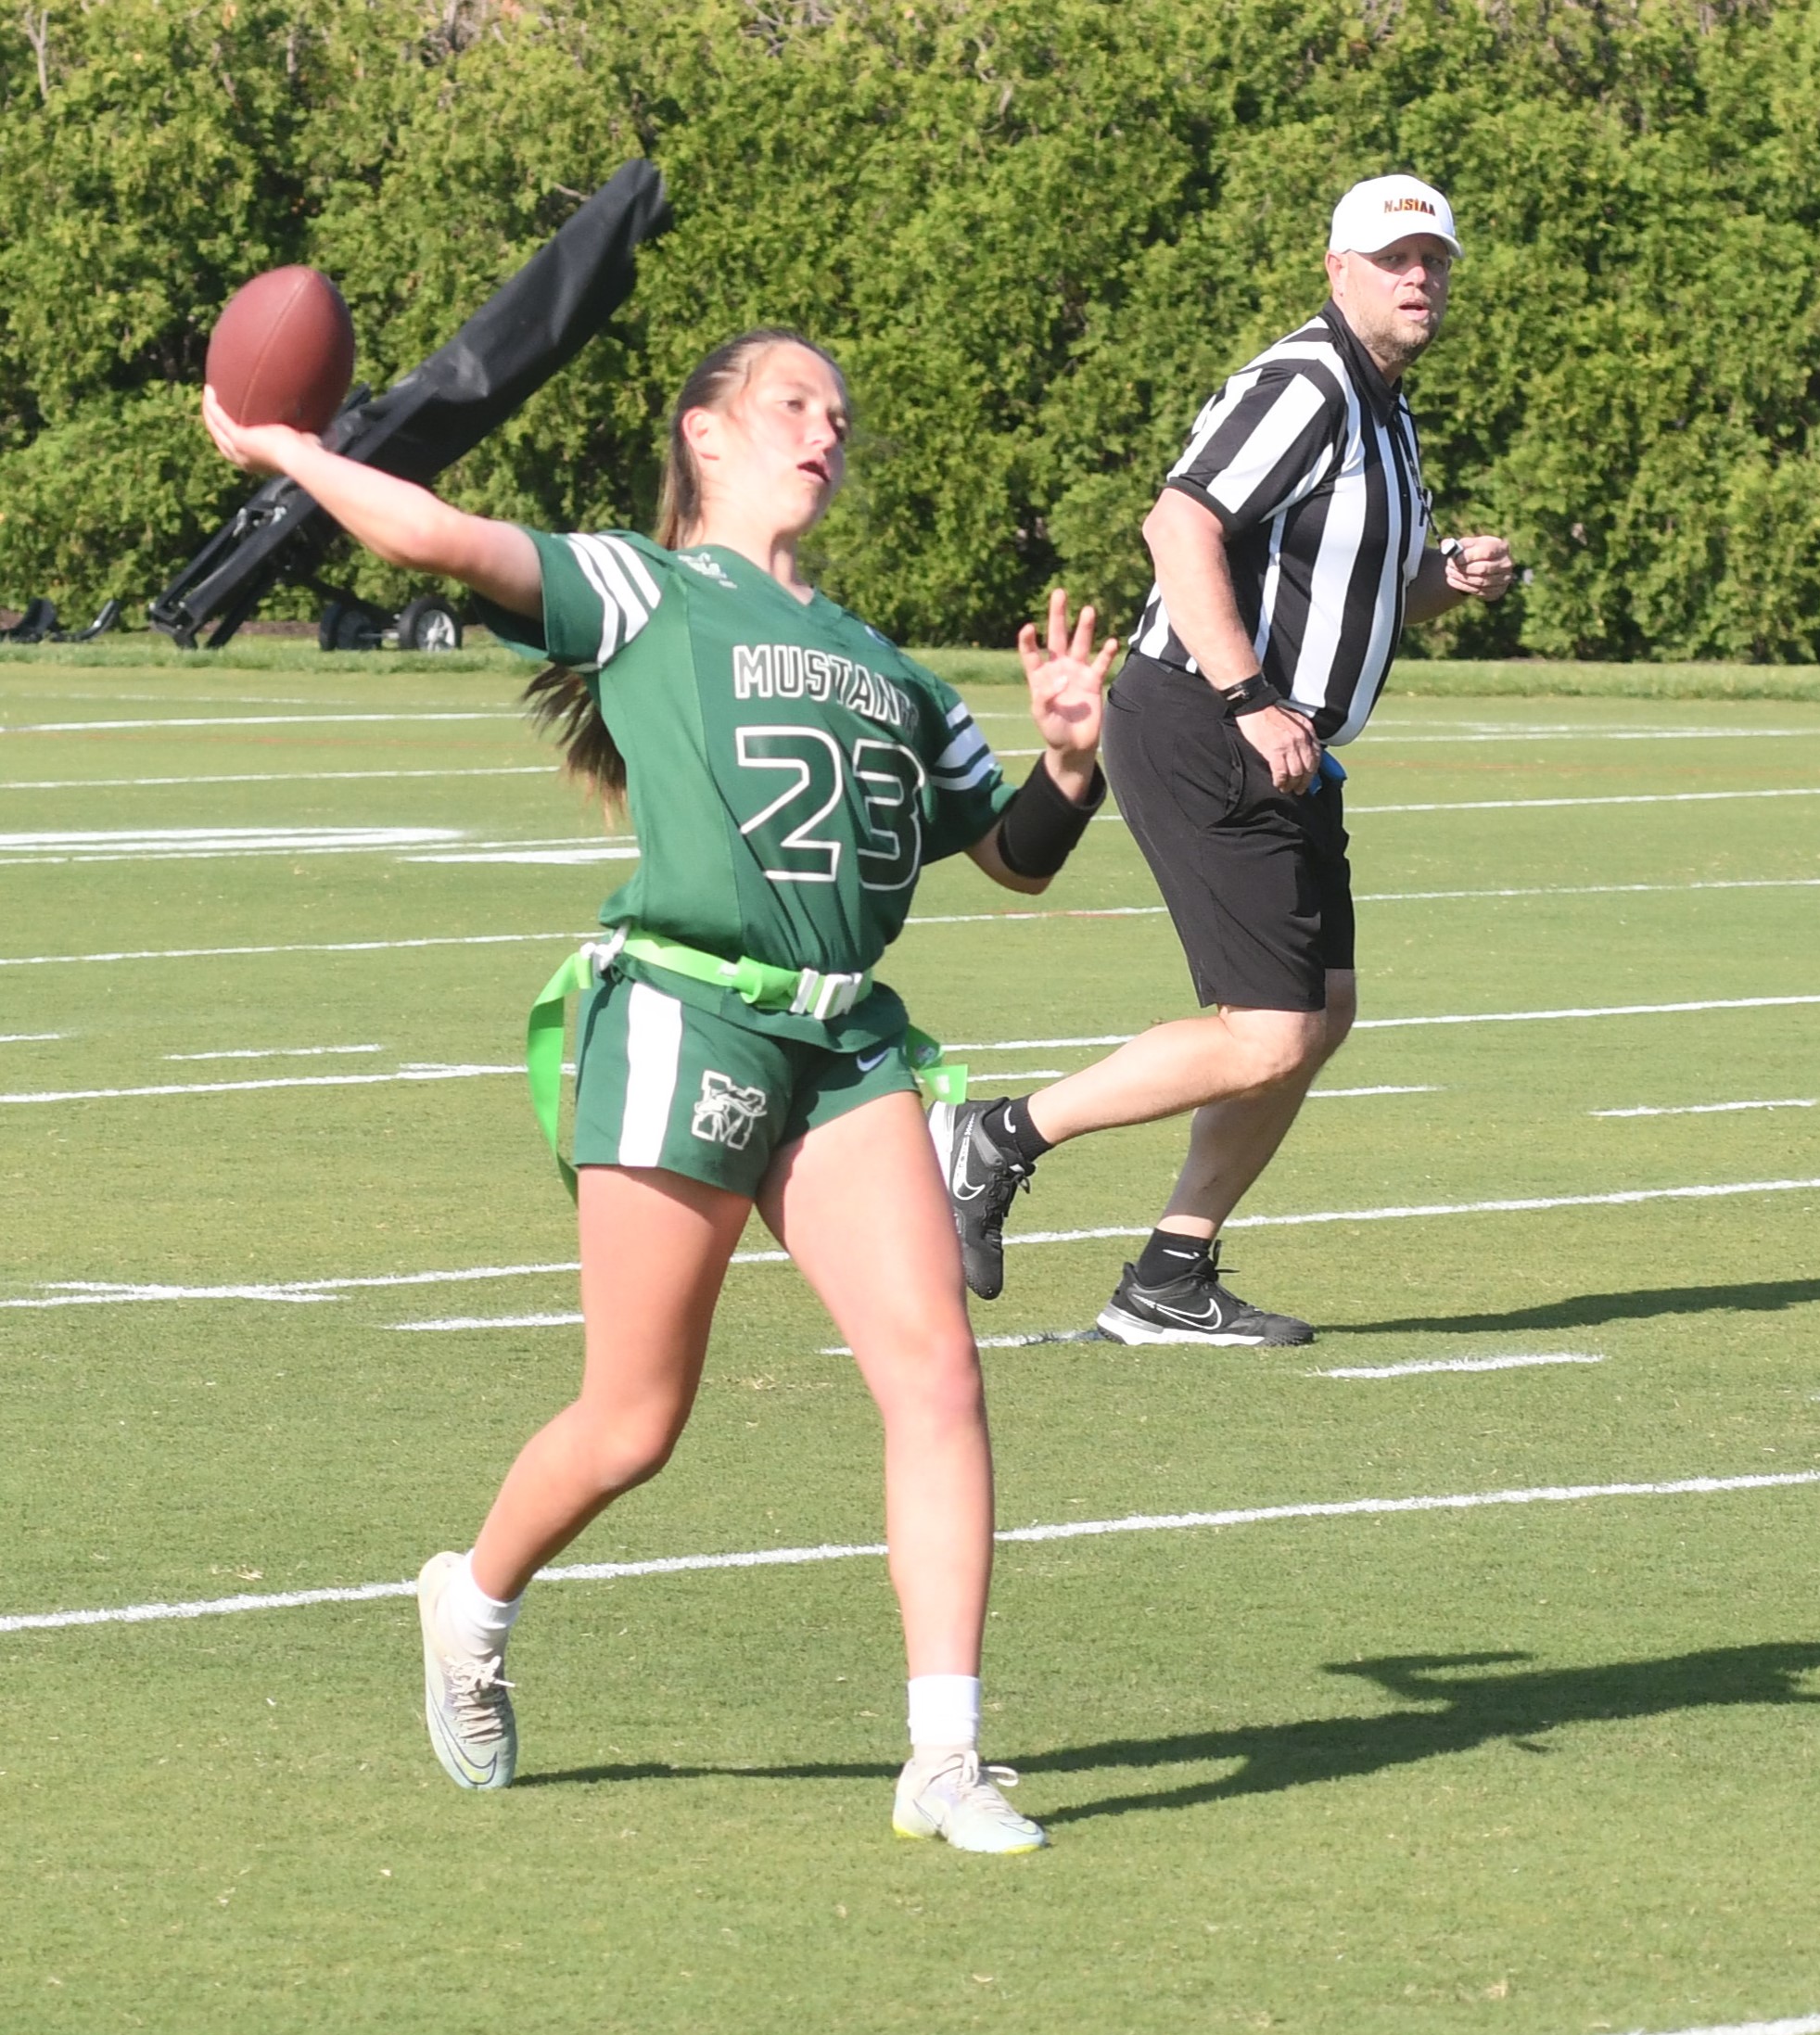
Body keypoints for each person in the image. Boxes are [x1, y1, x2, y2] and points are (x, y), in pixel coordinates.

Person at [201, 328, 1122, 1851]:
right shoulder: (644, 588)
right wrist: (292, 452)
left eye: (839, 409)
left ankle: (944, 1757)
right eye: (789, 403)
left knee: (938, 1373)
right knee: (636, 1417)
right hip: (686, 1018)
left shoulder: (892, 667)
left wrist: (1072, 764)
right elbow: (437, 533)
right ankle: (473, 1598)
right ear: (706, 435)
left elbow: (1011, 855)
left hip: (844, 1043)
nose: (822, 429)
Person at [932, 174, 1516, 1345]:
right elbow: (1178, 523)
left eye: (1435, 261)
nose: (1418, 279)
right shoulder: (1305, 382)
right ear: (1335, 269)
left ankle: (1169, 1275)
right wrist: (1248, 696)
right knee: (1270, 1027)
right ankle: (994, 1135)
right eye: (1394, 258)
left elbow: (1353, 596)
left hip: (1283, 744)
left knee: (1320, 1011)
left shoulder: (1385, 410)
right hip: (1211, 719)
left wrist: (1443, 580)